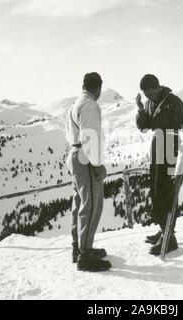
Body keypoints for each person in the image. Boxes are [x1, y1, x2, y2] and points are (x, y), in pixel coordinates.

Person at [136, 74, 183, 256]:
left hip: (170, 149)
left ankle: (169, 237)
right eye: (146, 95)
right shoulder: (150, 103)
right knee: (155, 191)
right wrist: (141, 109)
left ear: (158, 87)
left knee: (165, 193)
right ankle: (163, 228)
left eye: (151, 93)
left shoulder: (172, 101)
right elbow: (144, 127)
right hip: (158, 148)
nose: (149, 97)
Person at [65, 72, 111, 272]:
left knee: (80, 203)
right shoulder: (91, 105)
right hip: (85, 157)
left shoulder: (75, 104)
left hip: (74, 154)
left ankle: (79, 248)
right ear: (98, 88)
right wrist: (98, 164)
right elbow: (89, 136)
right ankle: (85, 254)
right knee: (92, 204)